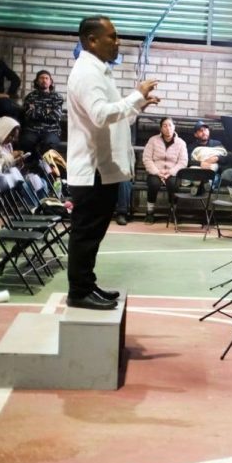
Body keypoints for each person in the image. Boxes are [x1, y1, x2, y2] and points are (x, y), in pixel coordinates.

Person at [65, 15, 160, 310]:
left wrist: (138, 102)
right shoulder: (87, 73)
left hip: (101, 170)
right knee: (85, 233)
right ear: (91, 40)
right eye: (112, 36)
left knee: (92, 234)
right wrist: (134, 96)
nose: (117, 42)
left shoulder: (100, 71)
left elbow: (116, 119)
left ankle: (86, 284)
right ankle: (79, 291)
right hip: (92, 168)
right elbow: (101, 115)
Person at [140, 116, 187, 224]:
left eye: (170, 125)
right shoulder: (153, 140)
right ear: (161, 128)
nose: (168, 128)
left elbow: (183, 162)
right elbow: (147, 158)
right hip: (156, 171)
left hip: (173, 173)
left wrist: (170, 172)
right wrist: (157, 172)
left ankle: (172, 212)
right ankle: (150, 212)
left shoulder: (181, 143)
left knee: (173, 184)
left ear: (174, 127)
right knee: (153, 184)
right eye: (165, 126)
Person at [20, 70, 64, 158]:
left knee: (50, 145)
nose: (44, 80)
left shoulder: (57, 97)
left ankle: (47, 169)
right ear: (37, 81)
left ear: (50, 82)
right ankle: (29, 167)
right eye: (41, 78)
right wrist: (47, 111)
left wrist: (36, 110)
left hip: (51, 131)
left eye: (47, 78)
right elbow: (28, 114)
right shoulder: (30, 97)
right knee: (26, 142)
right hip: (32, 130)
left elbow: (56, 116)